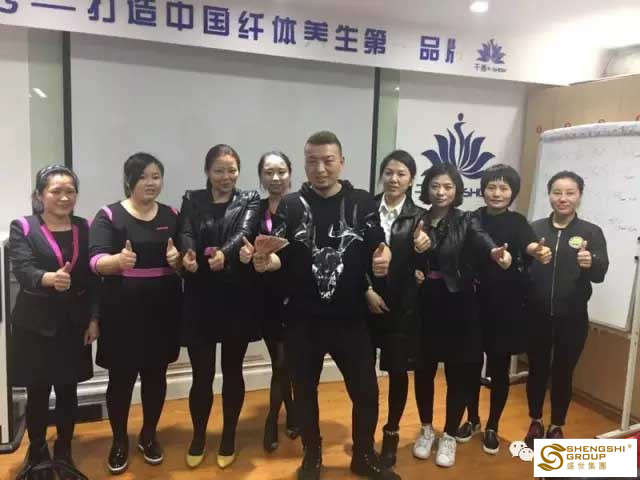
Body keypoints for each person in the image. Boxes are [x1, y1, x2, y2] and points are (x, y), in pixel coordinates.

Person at [261, 131, 399, 480]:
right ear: (304, 164)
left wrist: (384, 255)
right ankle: (312, 455)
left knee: (366, 392)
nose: (320, 169)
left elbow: (378, 243)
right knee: (305, 392)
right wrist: (265, 261)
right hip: (302, 320)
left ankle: (363, 455)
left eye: (328, 161)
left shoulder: (362, 201)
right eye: (312, 161)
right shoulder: (290, 204)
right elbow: (279, 255)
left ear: (341, 162)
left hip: (350, 318)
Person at [412, 163, 512, 468]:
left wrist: (496, 253)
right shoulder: (417, 219)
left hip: (459, 305)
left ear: (456, 191)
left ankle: (450, 435)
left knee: (458, 374)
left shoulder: (467, 220)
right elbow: (404, 257)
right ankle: (426, 429)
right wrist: (415, 262)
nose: (441, 192)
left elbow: (483, 241)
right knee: (424, 370)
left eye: (448, 187)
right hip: (426, 304)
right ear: (427, 188)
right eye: (435, 186)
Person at [89, 153, 182, 474]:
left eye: (156, 176)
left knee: (156, 377)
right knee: (121, 379)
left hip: (163, 310)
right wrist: (116, 262)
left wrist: (179, 260)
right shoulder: (109, 215)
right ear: (130, 180)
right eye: (143, 177)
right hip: (122, 312)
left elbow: (186, 257)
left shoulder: (172, 215)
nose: (150, 183)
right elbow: (94, 260)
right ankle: (119, 441)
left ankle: (149, 435)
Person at [455, 164, 552, 455]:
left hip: (505, 308)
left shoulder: (518, 222)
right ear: (483, 189)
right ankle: (472, 419)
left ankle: (493, 425)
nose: (497, 193)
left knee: (498, 370)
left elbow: (530, 245)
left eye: (504, 188)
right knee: (470, 366)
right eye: (491, 187)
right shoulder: (472, 218)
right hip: (472, 305)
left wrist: (537, 250)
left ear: (513, 192)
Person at [177, 144, 261, 469]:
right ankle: (199, 436)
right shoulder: (192, 199)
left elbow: (245, 231)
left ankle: (228, 436)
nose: (226, 177)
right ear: (207, 172)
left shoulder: (249, 198)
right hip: (199, 295)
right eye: (219, 171)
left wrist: (224, 254)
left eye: (231, 170)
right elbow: (185, 231)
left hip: (235, 296)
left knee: (233, 371)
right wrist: (188, 253)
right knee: (201, 375)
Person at [10, 165, 97, 480]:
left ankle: (63, 450)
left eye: (70, 191)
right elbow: (23, 269)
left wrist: (94, 319)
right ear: (39, 195)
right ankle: (36, 452)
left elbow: (92, 279)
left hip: (74, 324)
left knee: (68, 390)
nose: (64, 197)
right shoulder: (23, 227)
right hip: (34, 324)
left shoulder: (85, 227)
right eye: (56, 191)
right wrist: (48, 278)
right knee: (37, 391)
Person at [524, 170, 608, 447]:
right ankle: (535, 420)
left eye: (570, 193)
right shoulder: (534, 229)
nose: (563, 198)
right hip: (536, 315)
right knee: (536, 370)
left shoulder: (591, 232)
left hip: (572, 317)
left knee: (563, 372)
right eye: (557, 192)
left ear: (579, 196)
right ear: (549, 195)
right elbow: (521, 267)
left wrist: (591, 262)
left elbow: (600, 273)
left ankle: (557, 425)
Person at [365, 150, 430, 468]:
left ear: (411, 179)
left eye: (401, 174)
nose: (394, 179)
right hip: (365, 303)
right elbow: (352, 255)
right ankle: (364, 435)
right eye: (389, 172)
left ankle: (391, 433)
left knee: (397, 372)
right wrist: (366, 290)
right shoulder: (365, 209)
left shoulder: (420, 217)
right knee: (363, 374)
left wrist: (422, 252)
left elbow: (424, 266)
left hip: (402, 307)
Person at [238, 151, 299, 453]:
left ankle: (272, 419)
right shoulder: (255, 209)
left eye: (281, 171)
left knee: (283, 362)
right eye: (269, 172)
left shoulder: (300, 206)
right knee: (279, 361)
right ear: (261, 176)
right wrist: (245, 254)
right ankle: (292, 413)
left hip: (295, 295)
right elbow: (243, 240)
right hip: (263, 296)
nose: (275, 178)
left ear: (290, 173)